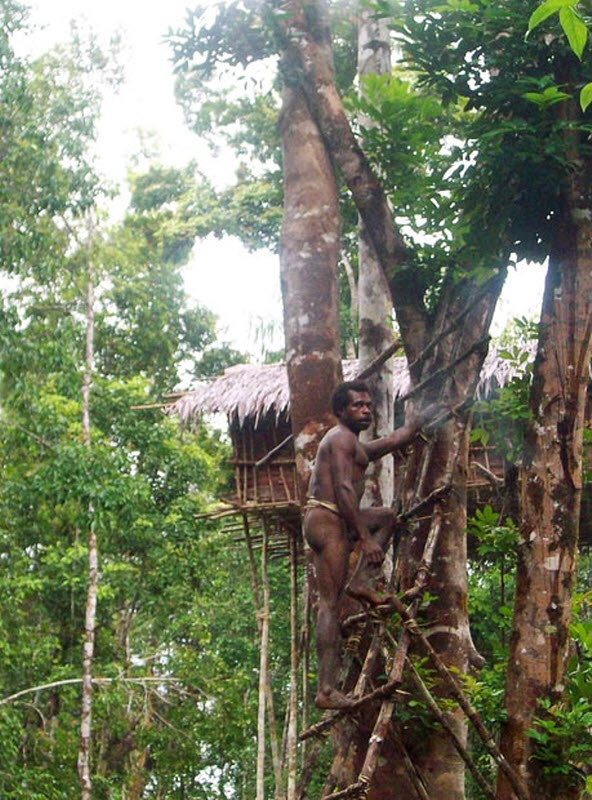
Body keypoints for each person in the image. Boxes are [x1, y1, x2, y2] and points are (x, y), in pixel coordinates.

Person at [303, 379, 424, 710]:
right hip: (327, 519)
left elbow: (390, 441)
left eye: (369, 405)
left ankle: (362, 580)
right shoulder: (341, 439)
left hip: (333, 518)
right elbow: (343, 488)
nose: (366, 409)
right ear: (341, 410)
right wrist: (365, 537)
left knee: (386, 516)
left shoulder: (354, 445)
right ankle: (326, 690)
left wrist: (418, 422)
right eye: (358, 405)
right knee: (329, 604)